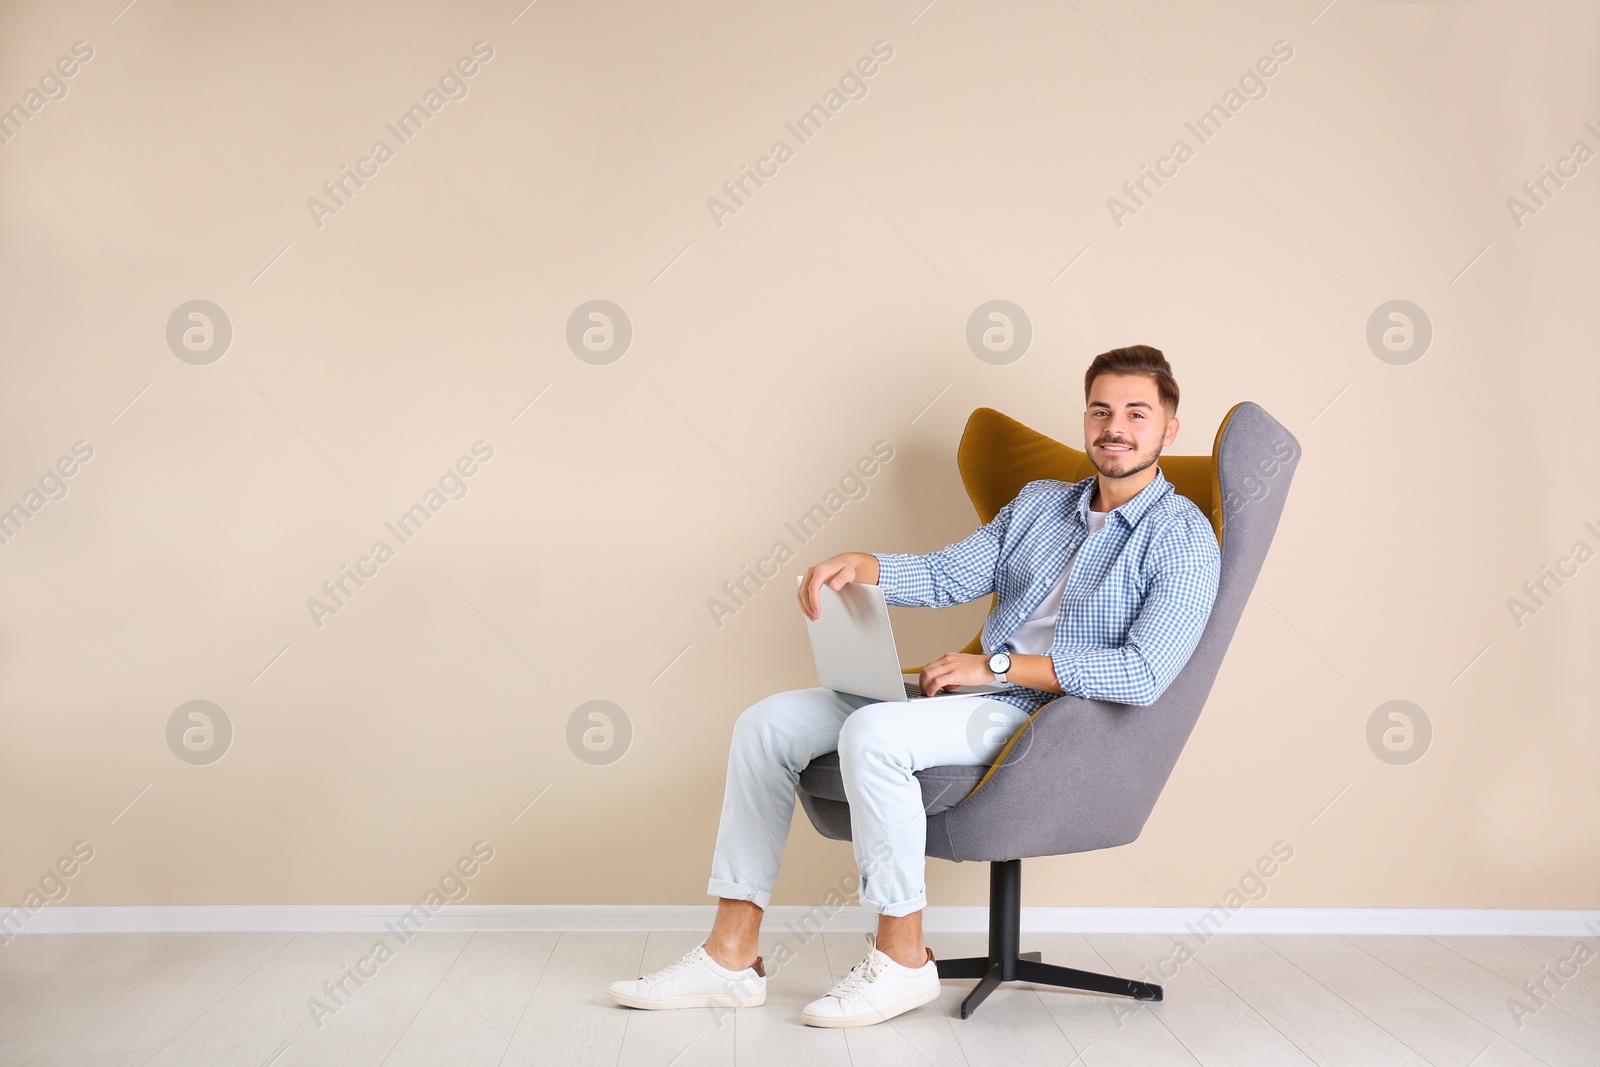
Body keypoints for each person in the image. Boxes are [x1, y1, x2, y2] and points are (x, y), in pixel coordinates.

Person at [608, 344, 1221, 1027]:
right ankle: (730, 957)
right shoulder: (1042, 504)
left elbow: (1142, 672)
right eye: (1101, 409)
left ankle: (902, 960)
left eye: (1137, 411)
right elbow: (949, 574)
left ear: (1168, 428)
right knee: (765, 723)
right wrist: (861, 566)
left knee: (873, 733)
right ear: (1085, 420)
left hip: (1040, 717)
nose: (1116, 425)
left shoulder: (1182, 537)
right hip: (968, 696)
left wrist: (993, 668)